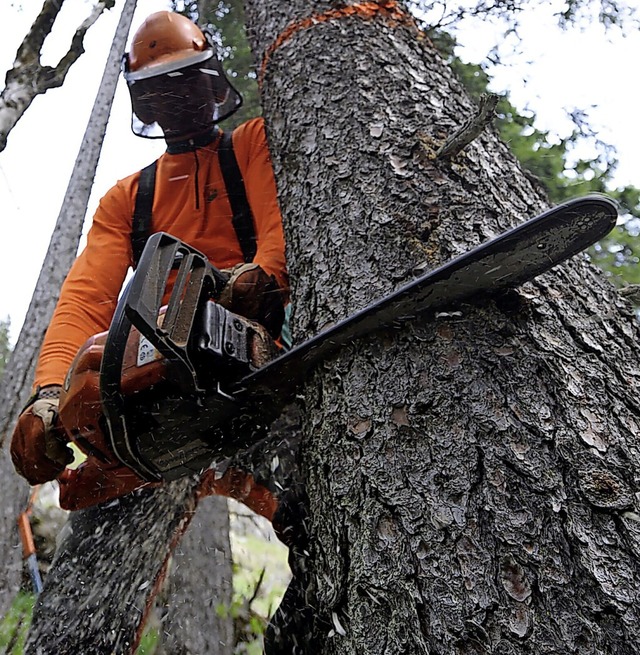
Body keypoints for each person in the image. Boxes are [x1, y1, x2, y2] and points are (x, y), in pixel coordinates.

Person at [10, 10, 288, 493]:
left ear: (212, 84)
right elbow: (86, 296)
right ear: (145, 103)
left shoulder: (249, 145)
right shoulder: (129, 197)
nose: (178, 99)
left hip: (258, 353)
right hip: (163, 367)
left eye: (187, 82)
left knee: (294, 500)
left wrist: (260, 279)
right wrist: (51, 392)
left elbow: (277, 237)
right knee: (100, 378)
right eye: (162, 89)